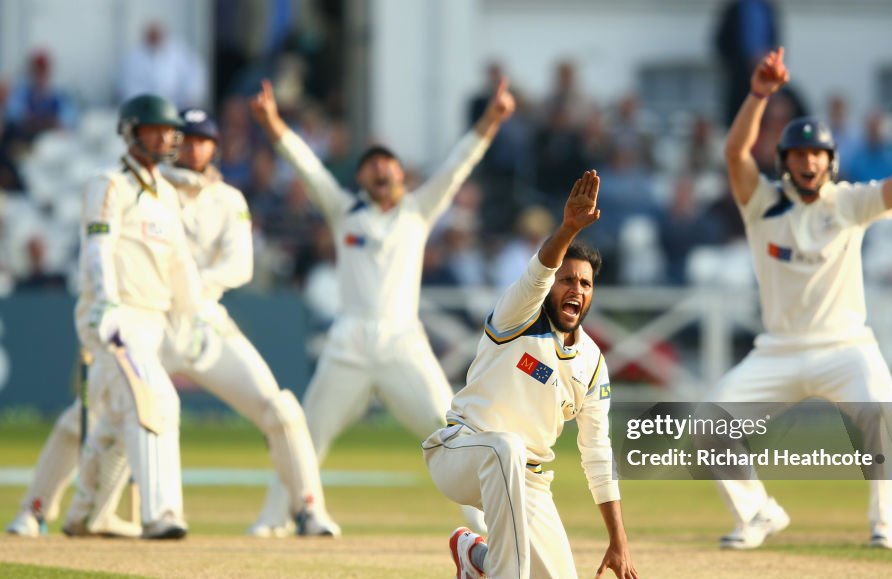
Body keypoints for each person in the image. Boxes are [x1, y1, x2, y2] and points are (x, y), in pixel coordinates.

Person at [7, 109, 341, 539]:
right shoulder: (147, 188)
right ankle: (35, 510)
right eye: (185, 138)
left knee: (279, 407)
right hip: (146, 323)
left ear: (215, 147)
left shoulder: (227, 199)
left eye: (203, 140)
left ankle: (309, 510)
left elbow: (238, 267)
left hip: (202, 324)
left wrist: (190, 292)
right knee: (89, 417)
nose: (192, 147)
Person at [247, 76, 516, 535]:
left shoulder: (418, 210)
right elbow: (308, 168)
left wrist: (490, 121)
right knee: (308, 433)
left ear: (399, 174)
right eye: (371, 166)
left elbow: (457, 166)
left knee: (449, 426)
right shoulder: (343, 211)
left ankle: (485, 524)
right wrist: (273, 125)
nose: (380, 172)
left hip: (402, 343)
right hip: (348, 342)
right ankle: (277, 517)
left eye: (387, 165)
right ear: (361, 178)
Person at [707, 47, 892, 551]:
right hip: (779, 349)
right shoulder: (762, 204)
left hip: (846, 345)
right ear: (785, 162)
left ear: (830, 161)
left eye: (816, 155)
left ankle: (885, 523)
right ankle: (758, 514)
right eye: (797, 155)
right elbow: (733, 154)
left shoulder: (850, 202)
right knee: (709, 424)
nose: (808, 162)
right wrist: (758, 94)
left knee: (882, 413)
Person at [424, 170, 644, 579]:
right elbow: (539, 271)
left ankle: (476, 556)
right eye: (567, 280)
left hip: (528, 481)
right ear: (549, 289)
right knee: (505, 445)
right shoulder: (517, 316)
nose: (576, 290)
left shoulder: (592, 361)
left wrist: (618, 538)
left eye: (585, 284)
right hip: (461, 452)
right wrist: (568, 228)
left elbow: (597, 453)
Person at [75, 93, 202, 539]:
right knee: (157, 401)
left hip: (152, 321)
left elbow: (180, 264)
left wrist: (196, 314)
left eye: (170, 130)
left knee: (112, 417)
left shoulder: (166, 192)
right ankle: (161, 513)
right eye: (154, 129)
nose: (165, 137)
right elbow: (98, 246)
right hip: (115, 314)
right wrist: (106, 303)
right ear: (131, 132)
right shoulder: (108, 183)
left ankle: (86, 513)